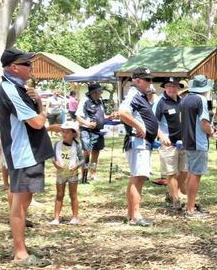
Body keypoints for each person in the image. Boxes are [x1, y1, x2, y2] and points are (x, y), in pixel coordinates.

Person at [0, 48, 54, 266]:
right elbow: (38, 123)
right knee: (20, 202)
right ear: (14, 67)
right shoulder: (10, 89)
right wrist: (42, 109)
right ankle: (20, 253)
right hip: (23, 153)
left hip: (30, 152)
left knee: (26, 198)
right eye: (27, 64)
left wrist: (38, 101)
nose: (31, 67)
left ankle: (22, 246)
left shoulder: (19, 88)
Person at [118, 67, 159, 227]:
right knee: (139, 177)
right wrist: (139, 127)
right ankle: (136, 215)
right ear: (138, 80)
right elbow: (122, 112)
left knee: (137, 177)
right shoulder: (134, 94)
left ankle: (131, 214)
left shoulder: (142, 96)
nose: (150, 83)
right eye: (147, 80)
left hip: (142, 143)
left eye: (151, 80)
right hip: (138, 142)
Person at [180, 74, 214, 218]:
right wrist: (212, 131)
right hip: (198, 142)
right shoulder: (201, 100)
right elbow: (204, 123)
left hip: (187, 140)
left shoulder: (185, 99)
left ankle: (190, 205)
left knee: (191, 173)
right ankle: (191, 209)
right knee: (195, 175)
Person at [153, 77, 187, 209]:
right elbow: (153, 122)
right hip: (168, 143)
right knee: (171, 172)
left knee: (184, 171)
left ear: (178, 88)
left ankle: (171, 192)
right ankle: (176, 200)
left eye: (174, 86)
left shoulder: (182, 101)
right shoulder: (160, 102)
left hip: (183, 142)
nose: (171, 89)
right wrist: (161, 136)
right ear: (165, 87)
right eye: (168, 86)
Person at [50, 121, 82, 225]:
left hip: (72, 175)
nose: (64, 134)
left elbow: (82, 159)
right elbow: (53, 157)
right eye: (63, 132)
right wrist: (55, 163)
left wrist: (77, 165)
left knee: (73, 195)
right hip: (61, 174)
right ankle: (56, 218)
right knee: (59, 195)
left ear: (74, 134)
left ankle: (75, 217)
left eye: (68, 132)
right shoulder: (57, 144)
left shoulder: (77, 145)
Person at [76, 83, 109, 182]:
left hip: (98, 131)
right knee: (86, 152)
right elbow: (78, 117)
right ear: (94, 92)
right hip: (87, 130)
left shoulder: (100, 101)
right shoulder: (84, 100)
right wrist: (87, 124)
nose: (102, 93)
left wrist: (109, 117)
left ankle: (93, 173)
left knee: (96, 152)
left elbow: (102, 116)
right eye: (100, 91)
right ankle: (83, 175)